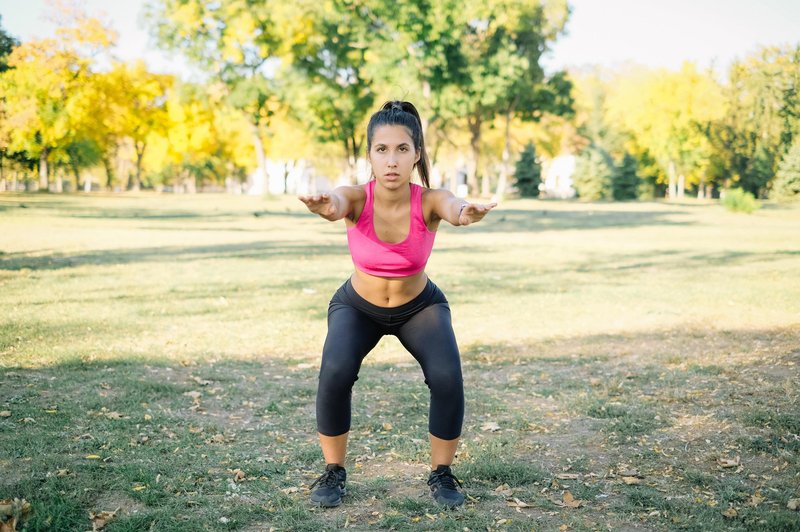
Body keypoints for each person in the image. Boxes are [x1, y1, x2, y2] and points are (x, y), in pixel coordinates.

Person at [298, 100, 496, 508]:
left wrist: (467, 213)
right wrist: (325, 207)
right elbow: (336, 203)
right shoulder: (356, 196)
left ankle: (441, 474)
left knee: (446, 377)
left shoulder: (429, 200)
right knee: (334, 371)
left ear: (417, 153)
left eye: (402, 149)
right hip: (358, 306)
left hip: (419, 307)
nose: (392, 160)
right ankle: (334, 471)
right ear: (369, 155)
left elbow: (453, 208)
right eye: (382, 150)